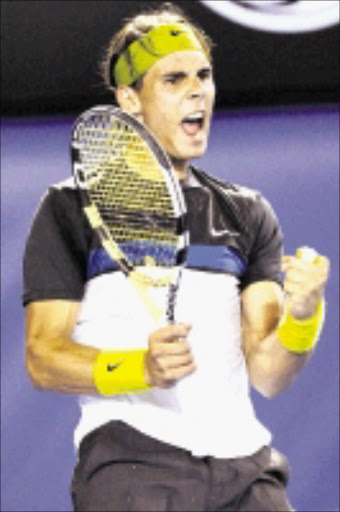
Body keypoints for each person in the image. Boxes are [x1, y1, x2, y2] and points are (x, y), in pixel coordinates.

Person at [23, 3, 330, 511]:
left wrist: (302, 317)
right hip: (132, 461)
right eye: (174, 79)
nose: (197, 90)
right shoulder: (70, 208)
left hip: (244, 467)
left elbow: (270, 375)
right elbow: (43, 358)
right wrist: (139, 367)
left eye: (204, 75)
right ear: (130, 99)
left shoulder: (247, 213)